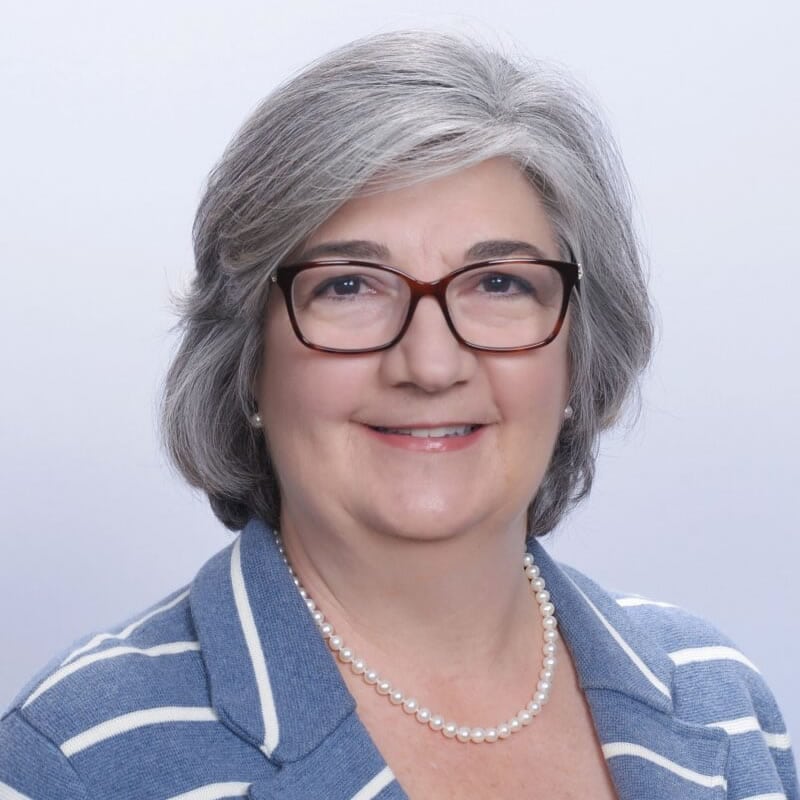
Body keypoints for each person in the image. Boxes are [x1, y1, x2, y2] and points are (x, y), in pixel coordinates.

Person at [0, 29, 796, 800]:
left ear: (577, 355)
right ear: (248, 360)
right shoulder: (76, 761)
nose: (431, 365)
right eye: (348, 286)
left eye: (499, 284)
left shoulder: (721, 705)